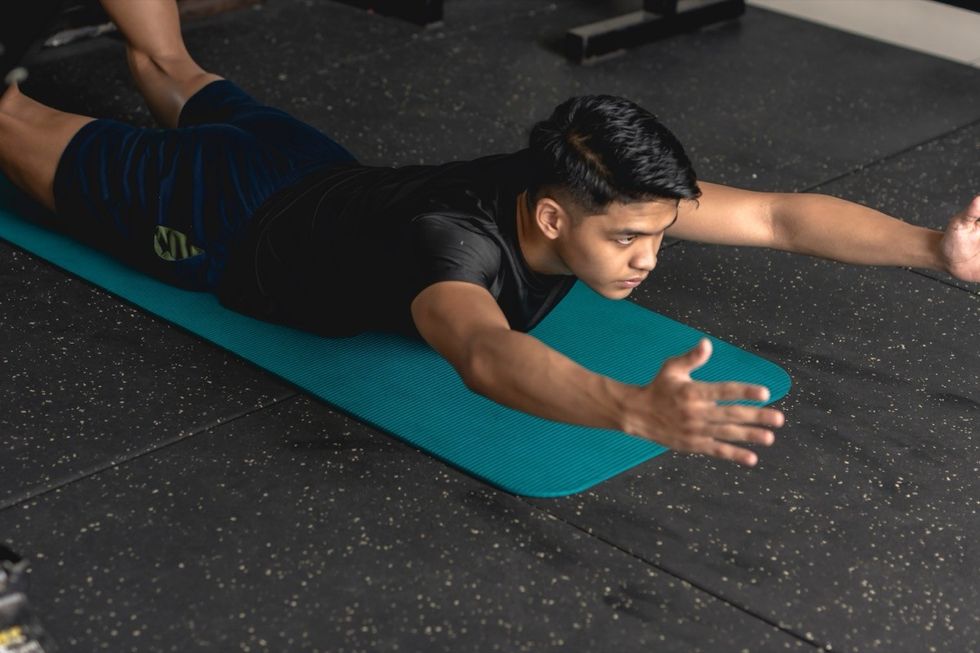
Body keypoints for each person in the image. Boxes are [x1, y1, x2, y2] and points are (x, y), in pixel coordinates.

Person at [1, 0, 977, 469]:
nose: (651, 255)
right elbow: (481, 353)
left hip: (305, 163)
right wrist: (626, 408)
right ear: (554, 217)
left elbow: (773, 214)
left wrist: (930, 248)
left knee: (163, 54)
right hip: (211, 216)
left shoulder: (570, 171)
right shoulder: (451, 248)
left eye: (658, 235)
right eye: (633, 237)